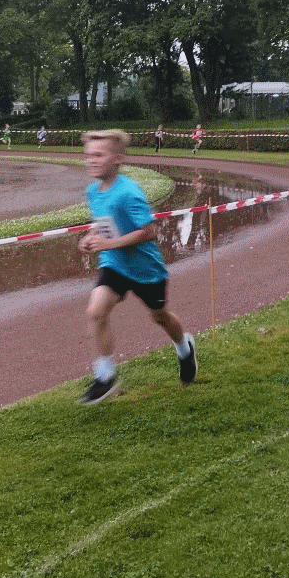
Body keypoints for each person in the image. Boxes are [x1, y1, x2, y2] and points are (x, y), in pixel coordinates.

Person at [76, 129, 197, 404]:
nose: (91, 161)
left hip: (145, 269)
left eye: (99, 155)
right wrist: (91, 236)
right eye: (88, 156)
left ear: (117, 159)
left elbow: (149, 231)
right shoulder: (92, 191)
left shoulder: (129, 192)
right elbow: (103, 222)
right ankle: (105, 377)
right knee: (95, 312)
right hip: (115, 265)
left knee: (160, 317)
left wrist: (109, 244)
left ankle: (184, 347)